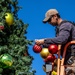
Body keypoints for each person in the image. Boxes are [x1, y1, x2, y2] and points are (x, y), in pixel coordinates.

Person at [35, 9, 75, 75]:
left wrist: (44, 40)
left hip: (73, 57)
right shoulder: (59, 29)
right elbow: (56, 44)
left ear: (55, 16)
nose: (49, 23)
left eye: (49, 20)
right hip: (67, 59)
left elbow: (61, 39)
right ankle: (48, 72)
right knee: (48, 53)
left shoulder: (65, 25)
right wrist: (42, 45)